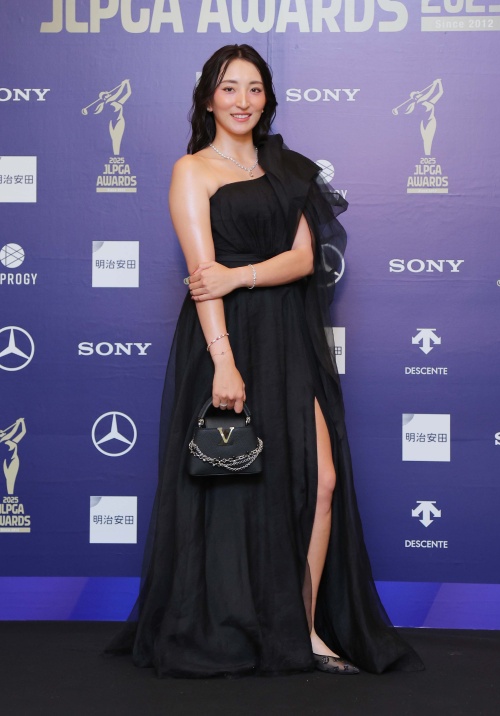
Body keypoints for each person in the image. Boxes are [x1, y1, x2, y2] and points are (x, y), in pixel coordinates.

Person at [106, 44, 424, 677]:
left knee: (321, 480)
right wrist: (223, 362)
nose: (242, 100)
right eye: (229, 87)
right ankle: (234, 625)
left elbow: (304, 259)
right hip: (224, 339)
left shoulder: (287, 167)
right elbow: (203, 279)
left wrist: (241, 274)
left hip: (287, 333)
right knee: (234, 486)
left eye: (254, 88)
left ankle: (303, 630)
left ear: (267, 99)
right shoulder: (192, 170)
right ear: (208, 99)